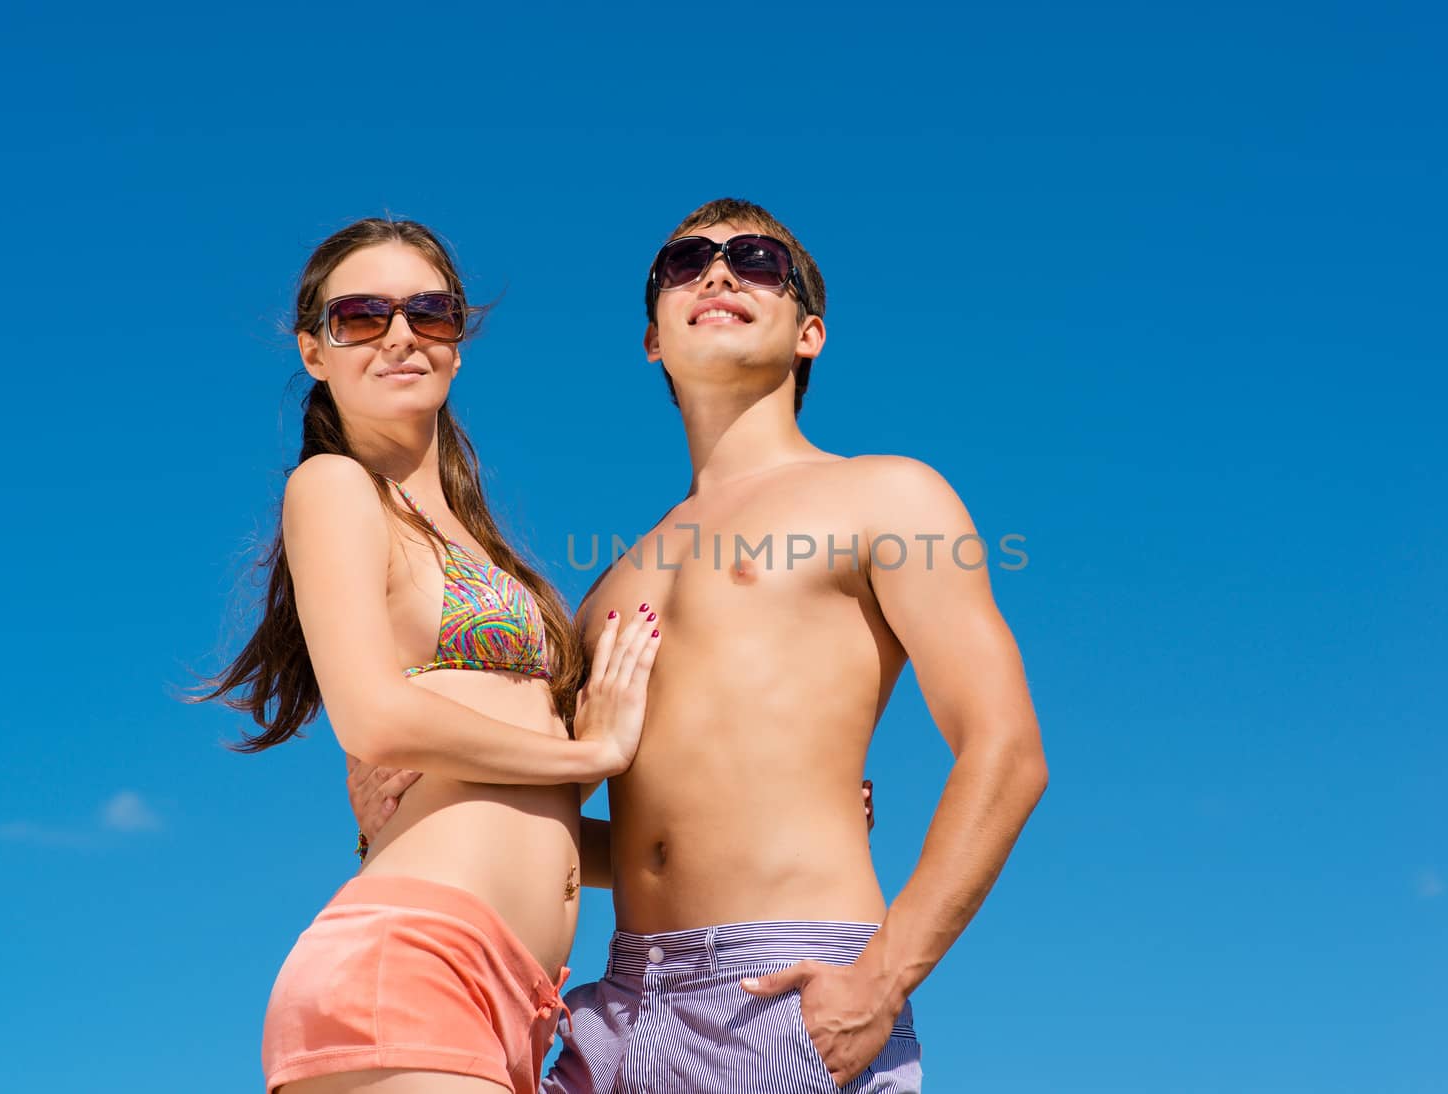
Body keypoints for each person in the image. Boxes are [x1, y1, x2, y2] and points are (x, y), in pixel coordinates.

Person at [354, 198, 1047, 1092]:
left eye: (757, 261)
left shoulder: (888, 498)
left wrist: (883, 977)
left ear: (811, 333)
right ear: (652, 339)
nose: (717, 273)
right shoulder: (605, 591)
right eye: (684, 264)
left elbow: (1007, 750)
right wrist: (410, 804)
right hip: (616, 1006)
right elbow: (560, 825)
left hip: (788, 988)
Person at [202, 217, 662, 1094]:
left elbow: (539, 821)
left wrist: (749, 822)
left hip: (519, 1004)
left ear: (459, 342)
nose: (401, 334)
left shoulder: (487, 549)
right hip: (413, 965)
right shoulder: (334, 487)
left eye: (431, 311)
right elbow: (376, 714)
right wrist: (588, 753)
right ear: (314, 351)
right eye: (362, 316)